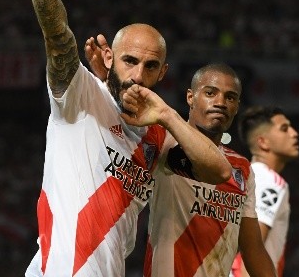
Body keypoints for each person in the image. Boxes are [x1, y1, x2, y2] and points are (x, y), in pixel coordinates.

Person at [14, 0, 233, 276]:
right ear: (111, 59)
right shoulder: (81, 95)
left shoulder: (159, 134)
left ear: (162, 74)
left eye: (151, 67)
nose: (138, 75)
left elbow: (219, 171)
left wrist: (166, 115)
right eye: (130, 61)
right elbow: (58, 36)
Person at [86, 39, 276, 276]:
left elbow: (253, 249)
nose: (220, 102)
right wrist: (108, 80)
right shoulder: (163, 141)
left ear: (237, 106)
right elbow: (122, 114)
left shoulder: (242, 168)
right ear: (190, 97)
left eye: (230, 97)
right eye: (210, 93)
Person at [231, 106, 299, 277]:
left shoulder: (244, 177)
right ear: (263, 142)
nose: (294, 133)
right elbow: (252, 251)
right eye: (284, 129)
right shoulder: (270, 182)